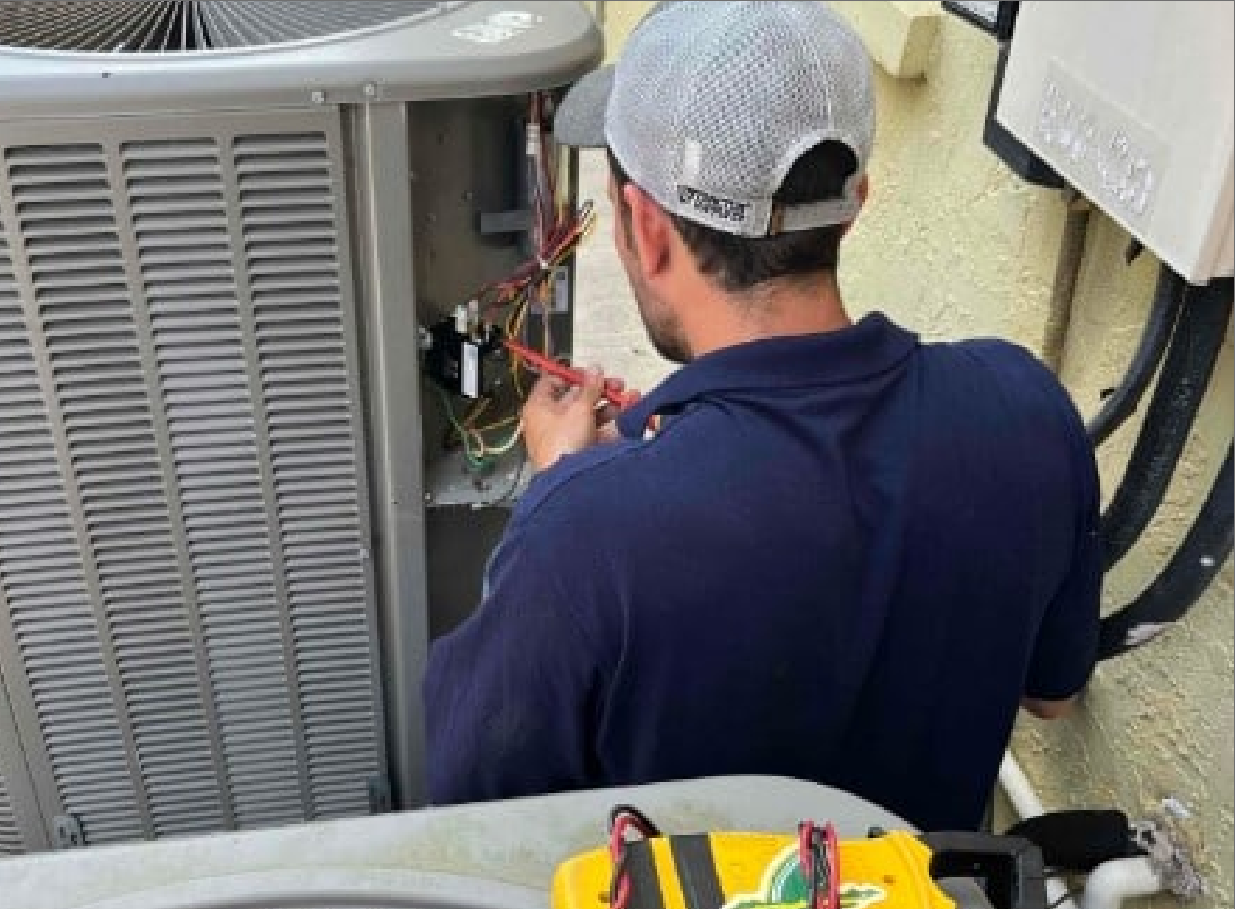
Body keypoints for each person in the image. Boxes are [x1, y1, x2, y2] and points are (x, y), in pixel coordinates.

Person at [422, 0, 1101, 833]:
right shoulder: (1025, 410)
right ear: (855, 203)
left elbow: (465, 814)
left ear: (645, 227)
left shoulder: (587, 534)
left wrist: (563, 486)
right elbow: (1053, 697)